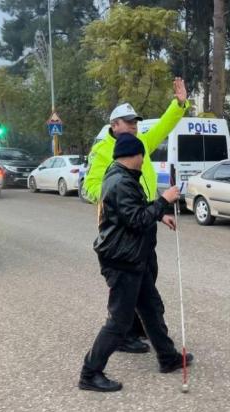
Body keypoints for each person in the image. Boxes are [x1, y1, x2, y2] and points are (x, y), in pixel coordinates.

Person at [79, 133, 193, 392]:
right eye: (143, 156)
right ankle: (90, 373)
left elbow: (137, 210)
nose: (144, 161)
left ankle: (168, 357)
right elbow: (136, 219)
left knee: (152, 308)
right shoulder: (120, 182)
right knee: (119, 322)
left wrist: (160, 215)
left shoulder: (123, 177)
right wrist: (165, 201)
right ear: (135, 155)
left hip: (133, 258)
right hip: (122, 261)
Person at [84, 77, 189, 354]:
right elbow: (90, 187)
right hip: (123, 228)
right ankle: (124, 332)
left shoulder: (139, 142)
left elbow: (165, 126)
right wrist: (115, 201)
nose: (133, 126)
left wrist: (178, 104)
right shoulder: (103, 151)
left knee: (147, 279)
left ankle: (143, 331)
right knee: (127, 284)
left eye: (135, 122)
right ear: (114, 125)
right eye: (128, 122)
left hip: (144, 221)